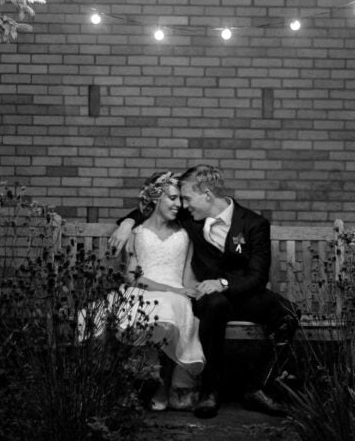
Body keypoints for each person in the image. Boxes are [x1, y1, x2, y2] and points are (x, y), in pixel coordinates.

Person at [110, 164, 298, 419]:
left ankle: (260, 388)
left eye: (187, 198)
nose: (184, 205)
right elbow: (152, 209)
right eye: (181, 199)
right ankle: (210, 390)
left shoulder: (254, 224)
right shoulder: (191, 219)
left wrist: (223, 283)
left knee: (289, 313)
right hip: (208, 298)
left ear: (207, 195)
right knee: (215, 305)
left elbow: (258, 276)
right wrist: (127, 222)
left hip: (241, 292)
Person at [85, 171, 204, 411]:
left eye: (180, 199)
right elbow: (132, 277)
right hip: (142, 288)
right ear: (155, 198)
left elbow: (187, 275)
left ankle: (165, 385)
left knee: (172, 310)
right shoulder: (137, 233)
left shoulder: (184, 233)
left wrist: (187, 292)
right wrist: (129, 223)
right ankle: (123, 385)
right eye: (172, 198)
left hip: (176, 293)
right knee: (120, 313)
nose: (179, 204)